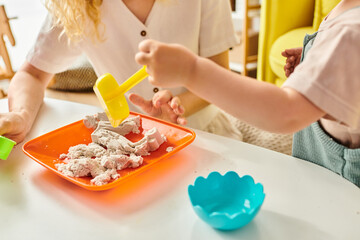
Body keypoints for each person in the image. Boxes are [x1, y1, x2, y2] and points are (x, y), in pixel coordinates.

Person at [135, 0, 360, 187]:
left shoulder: (351, 31)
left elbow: (285, 112)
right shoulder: (347, 11)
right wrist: (317, 62)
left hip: (342, 188)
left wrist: (191, 71)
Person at [0, 0, 240, 144]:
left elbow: (219, 76)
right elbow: (32, 74)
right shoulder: (75, 6)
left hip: (208, 137)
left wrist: (179, 105)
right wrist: (21, 115)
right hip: (128, 145)